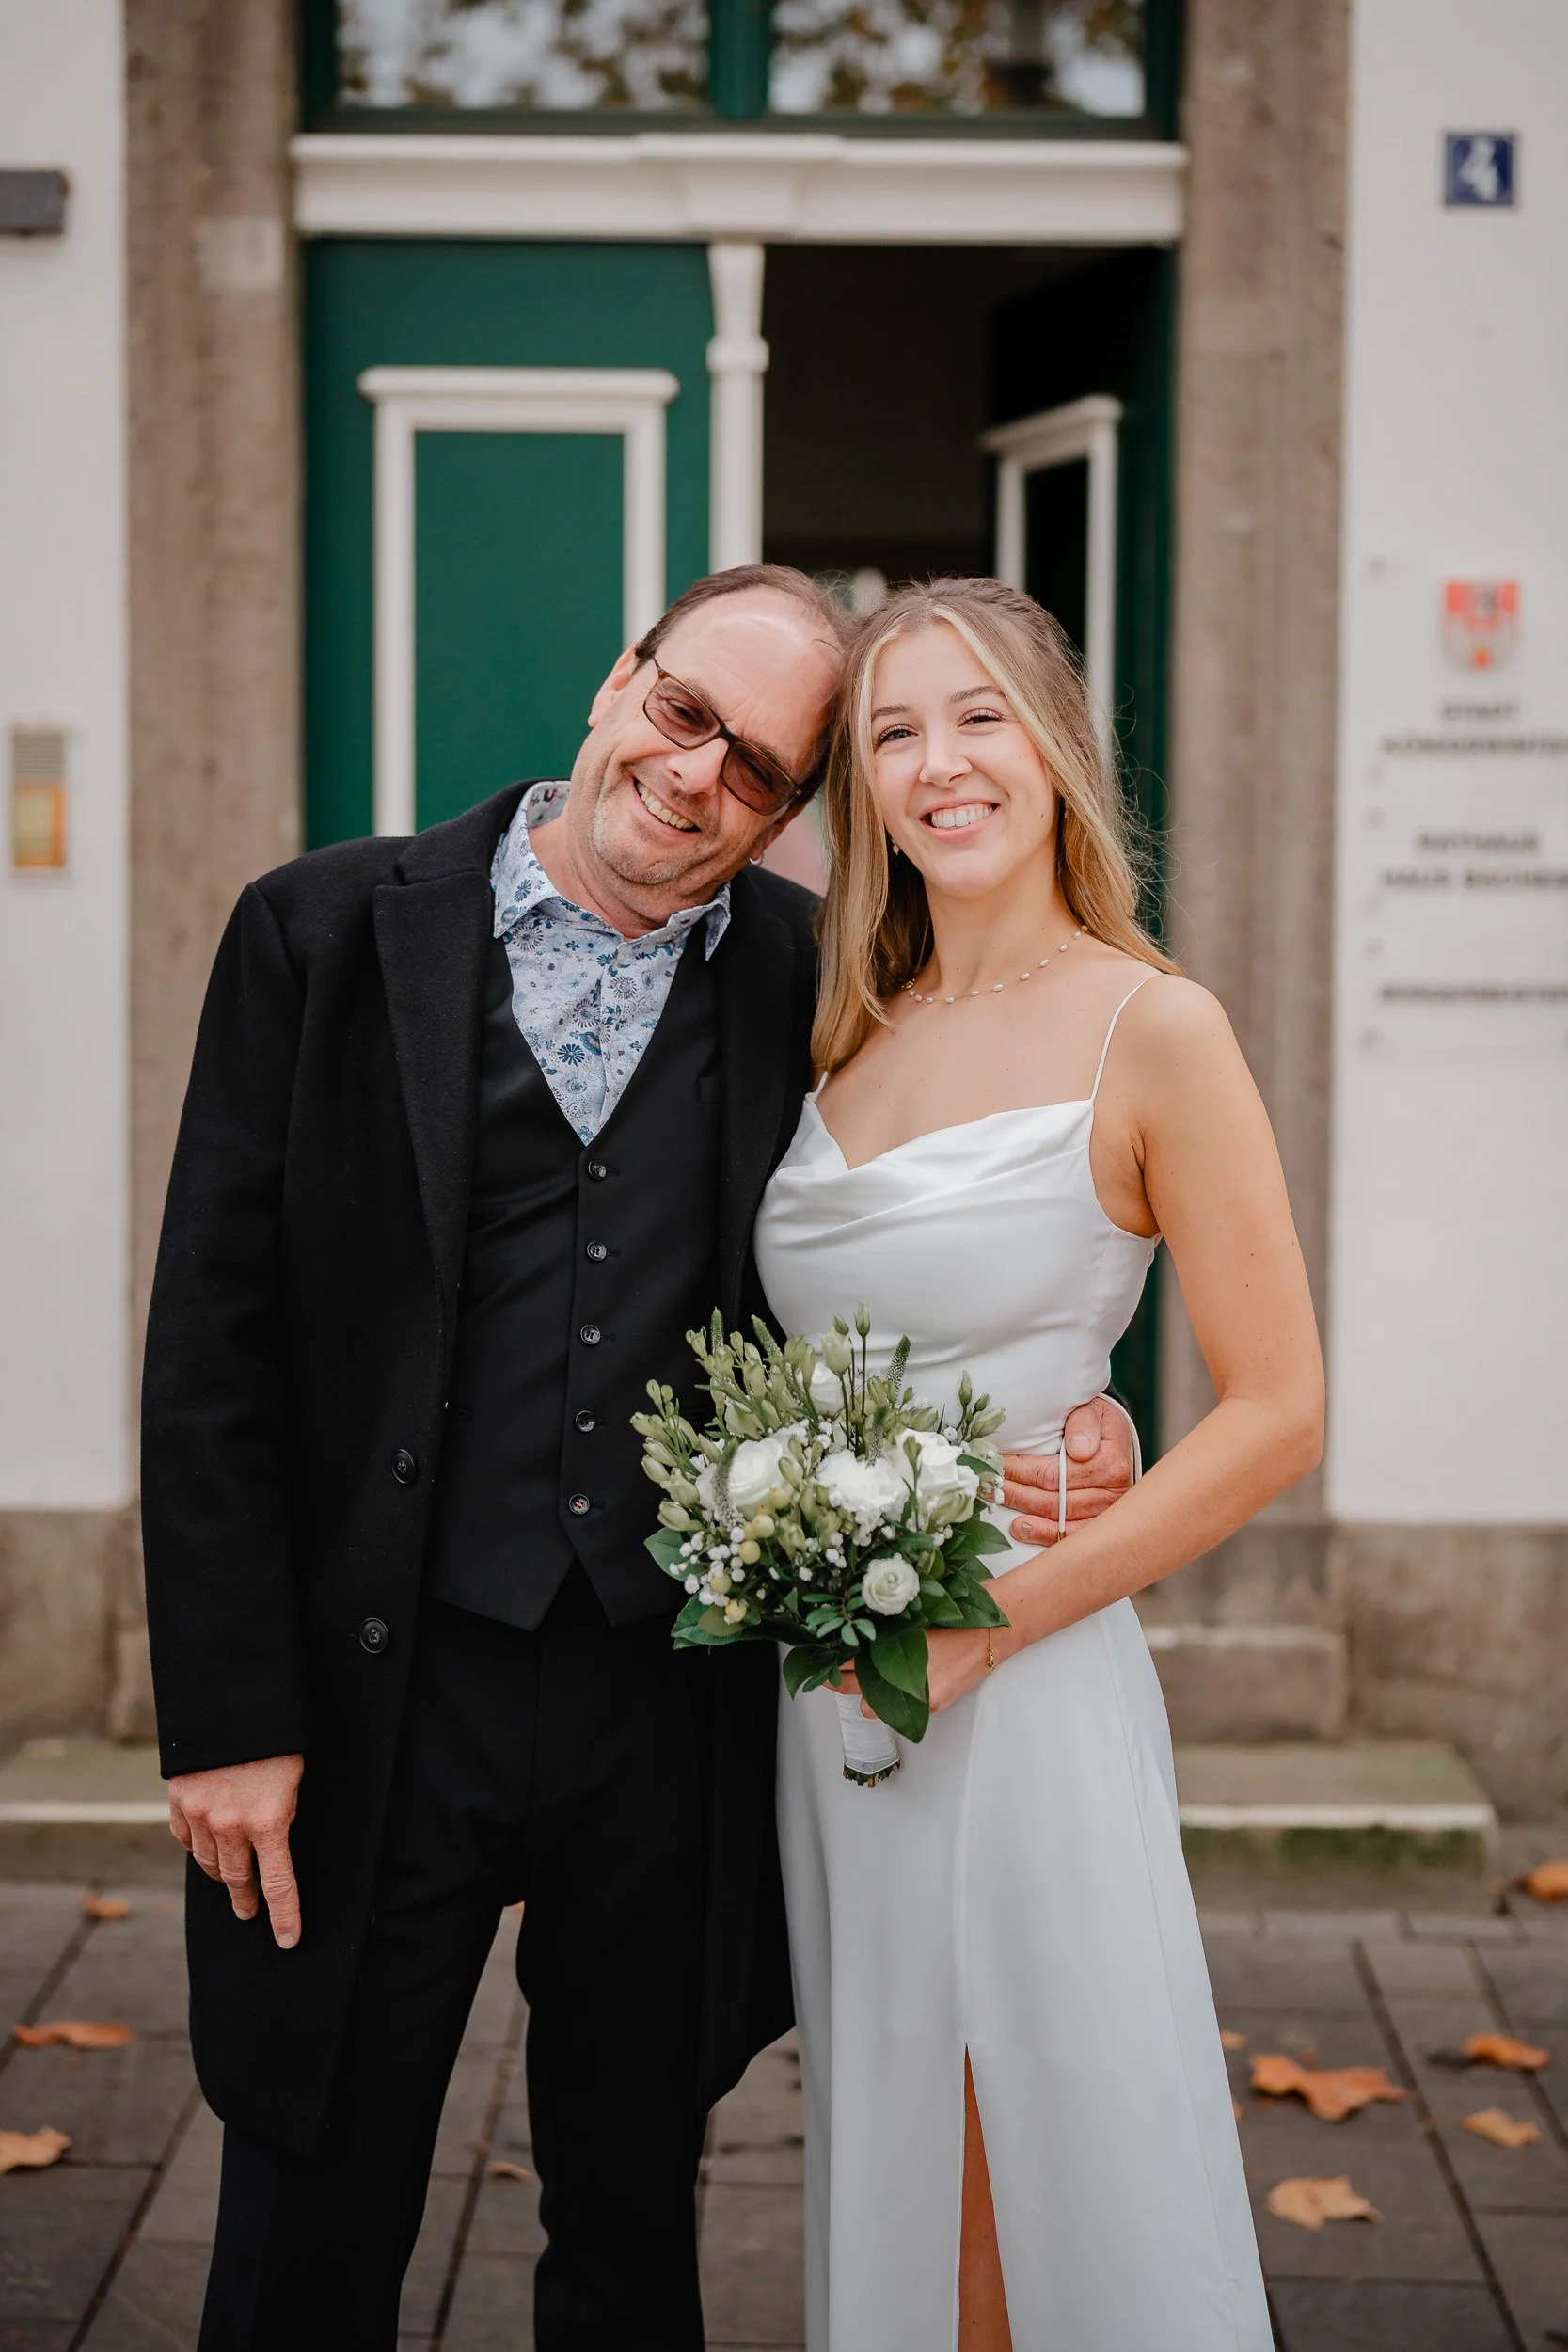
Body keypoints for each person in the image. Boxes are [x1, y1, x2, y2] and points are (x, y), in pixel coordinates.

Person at [140, 564, 1138, 2352]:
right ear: (621, 679)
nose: (695, 776)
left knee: (629, 2223)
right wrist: (226, 1716)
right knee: (312, 2211)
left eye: (757, 770)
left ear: (790, 813)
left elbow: (922, 1249)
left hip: (660, 1693)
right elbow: (214, 1350)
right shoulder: (320, 929)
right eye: (685, 714)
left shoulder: (811, 979)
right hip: (380, 1686)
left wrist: (1070, 1405)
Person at [754, 578, 1324, 2351]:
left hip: (1018, 1662)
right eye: (892, 733)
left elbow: (1278, 1411)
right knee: (894, 2121)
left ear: (1057, 743)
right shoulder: (846, 1022)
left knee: (1019, 2138)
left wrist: (984, 1621)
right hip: (833, 1682)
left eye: (976, 715)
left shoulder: (1153, 1027)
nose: (939, 764)